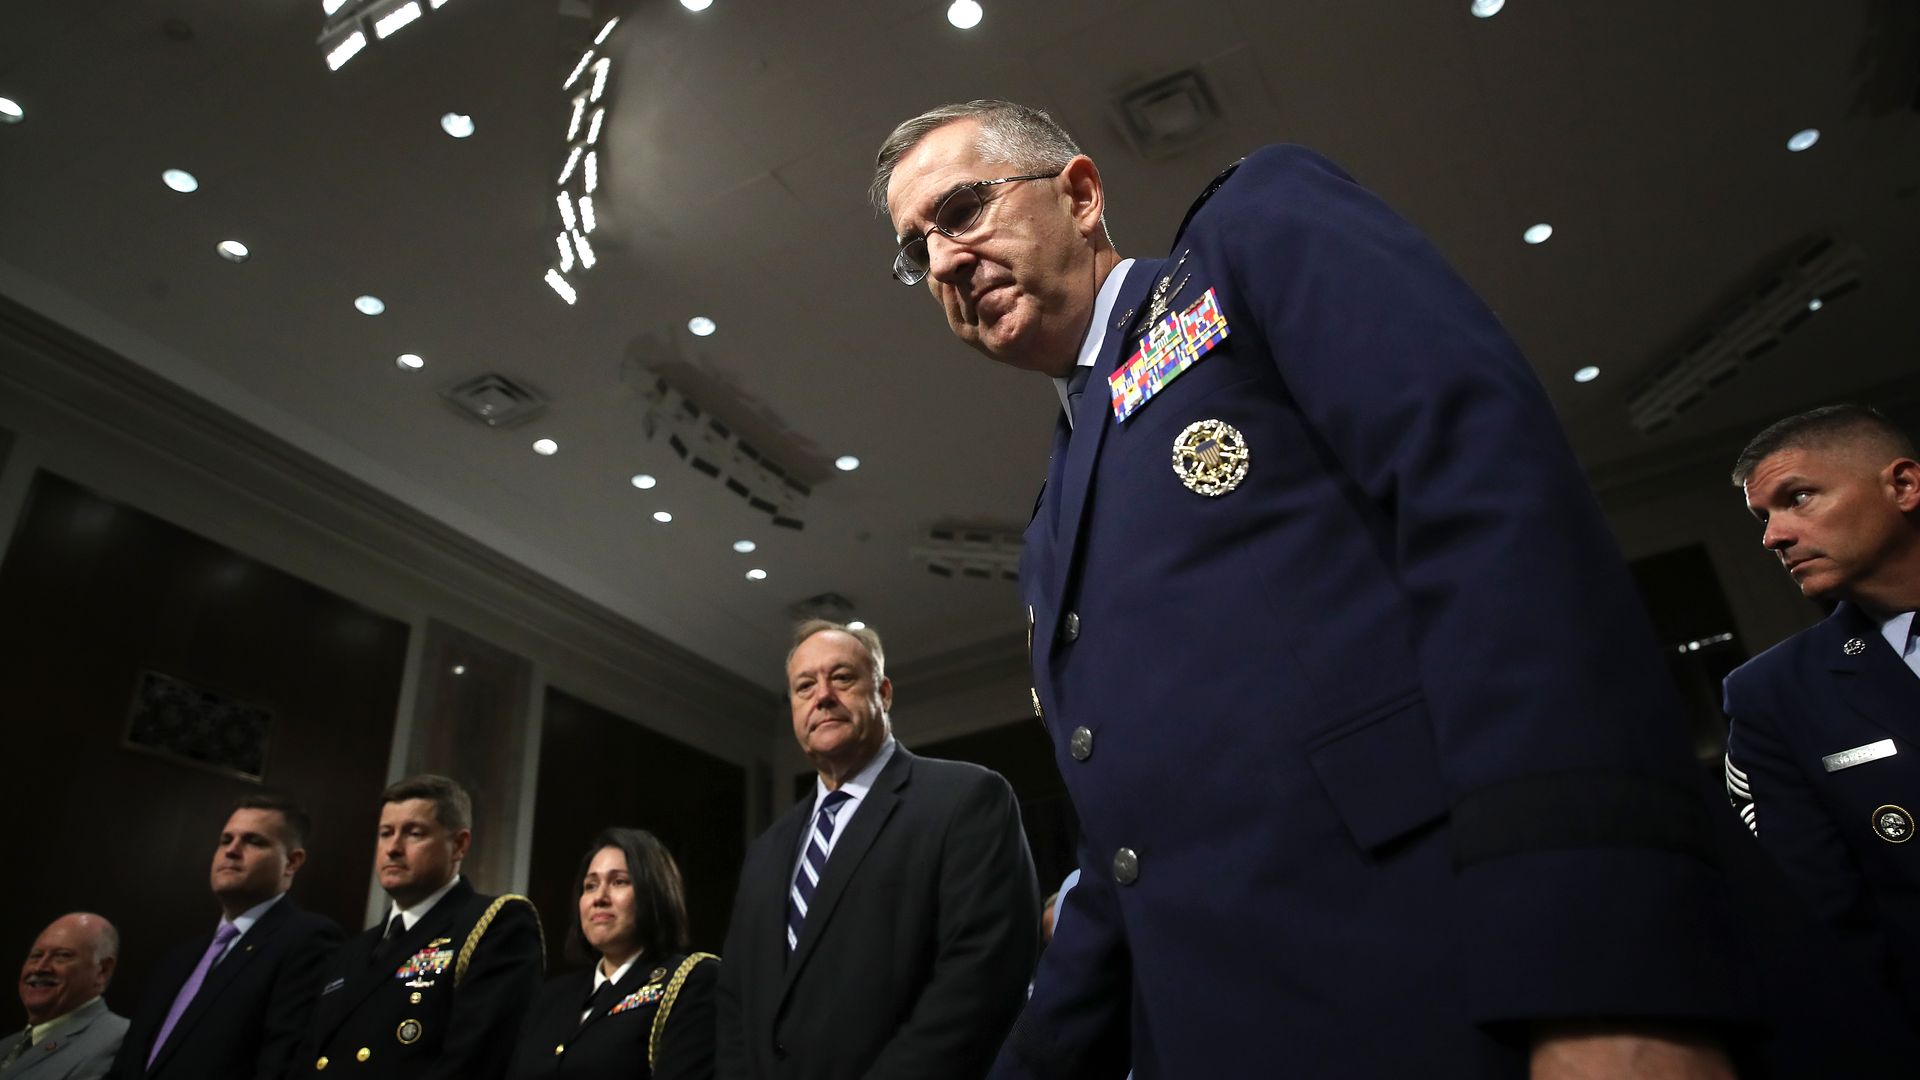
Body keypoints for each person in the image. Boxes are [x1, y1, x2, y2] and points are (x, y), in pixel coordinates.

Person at [874, 99, 1743, 1078]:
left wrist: (1607, 968)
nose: (943, 262)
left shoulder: (1245, 242)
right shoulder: (1048, 524)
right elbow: (1126, 852)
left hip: (1453, 989)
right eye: (915, 250)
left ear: (1079, 194)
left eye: (962, 210)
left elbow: (1495, 525)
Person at [715, 620, 1038, 1080]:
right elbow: (735, 1003)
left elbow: (982, 978)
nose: (822, 695)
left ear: (883, 693)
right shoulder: (767, 850)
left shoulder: (965, 799)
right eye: (804, 686)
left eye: (842, 678)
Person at [1723, 404, 1920, 1018]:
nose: (1772, 536)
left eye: (1799, 497)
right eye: (1764, 516)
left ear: (1904, 485)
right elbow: (1821, 918)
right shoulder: (1773, 695)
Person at [304, 774, 543, 1079]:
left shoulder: (494, 924)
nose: (393, 848)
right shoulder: (352, 951)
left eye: (414, 833)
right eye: (385, 833)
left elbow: (477, 1060)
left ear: (458, 845)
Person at [112, 794, 343, 1080]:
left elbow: (281, 1065)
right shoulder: (179, 959)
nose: (231, 851)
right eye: (225, 840)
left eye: (253, 841)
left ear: (292, 862)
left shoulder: (307, 941)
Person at [508, 828, 716, 1080]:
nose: (599, 898)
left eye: (619, 882)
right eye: (590, 885)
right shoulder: (551, 997)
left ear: (654, 892)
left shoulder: (689, 981)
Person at [5, 913, 127, 1079]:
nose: (40, 968)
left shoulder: (120, 1041)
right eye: (36, 956)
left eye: (62, 955)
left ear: (102, 970)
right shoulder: (7, 1046)